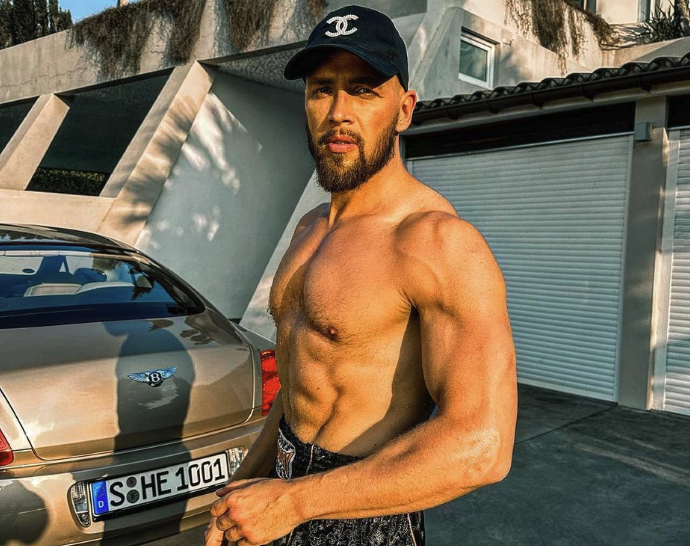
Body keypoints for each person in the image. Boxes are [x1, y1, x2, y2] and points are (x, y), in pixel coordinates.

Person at [204, 5, 517, 546]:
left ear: (404, 110)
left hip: (366, 515)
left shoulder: (438, 243)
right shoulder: (309, 228)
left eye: (364, 90)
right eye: (321, 89)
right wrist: (241, 489)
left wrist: (295, 502)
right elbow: (300, 382)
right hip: (278, 492)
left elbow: (483, 446)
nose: (338, 112)